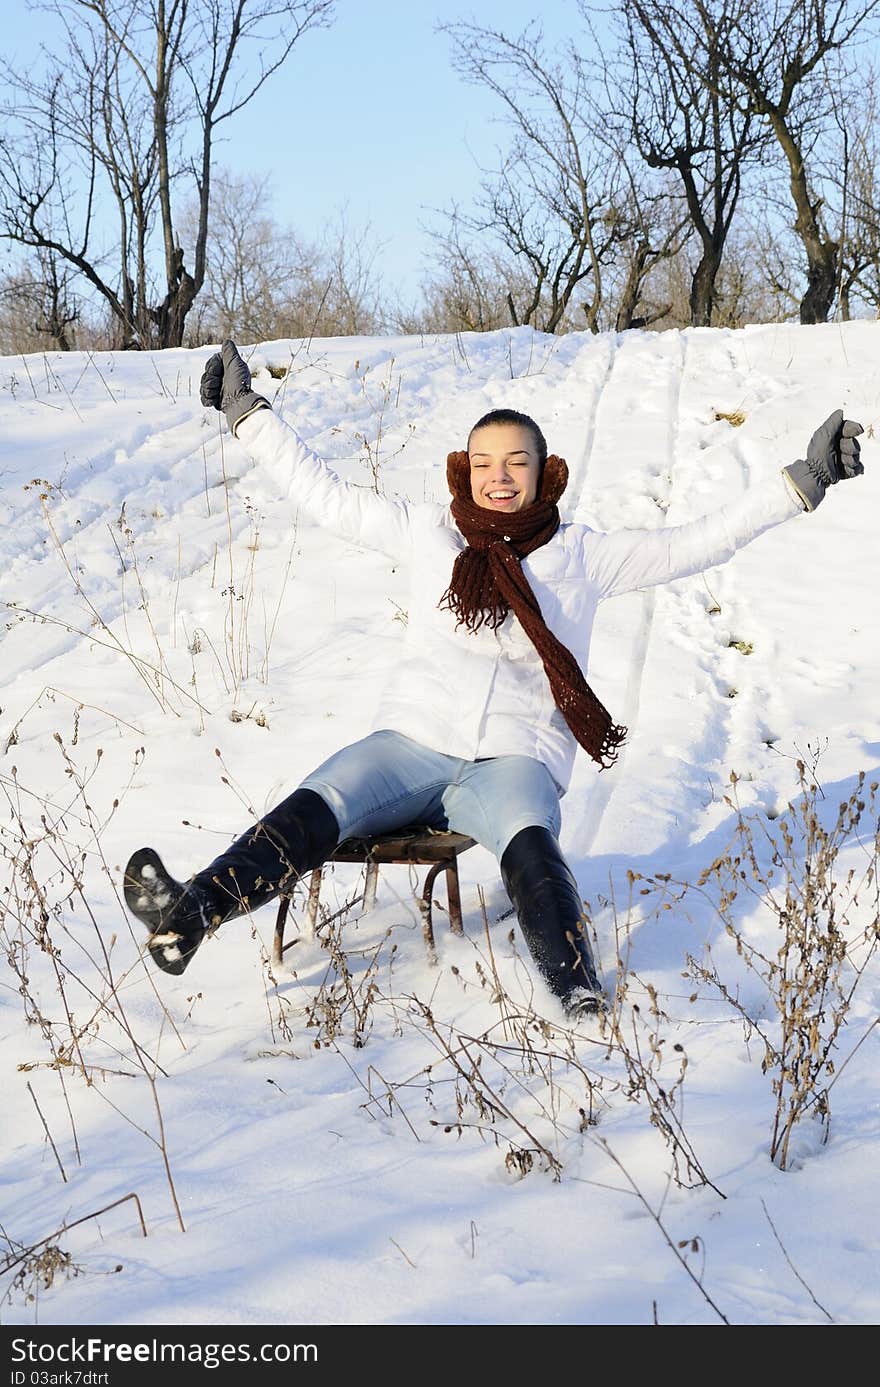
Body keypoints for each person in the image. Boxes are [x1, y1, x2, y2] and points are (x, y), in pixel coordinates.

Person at [123, 340, 864, 1020]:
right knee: (321, 800)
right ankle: (188, 917)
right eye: (484, 463)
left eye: (516, 462)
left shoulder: (583, 555)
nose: (499, 477)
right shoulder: (430, 534)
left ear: (545, 473)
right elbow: (325, 495)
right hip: (412, 740)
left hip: (516, 755)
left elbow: (698, 542)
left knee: (529, 841)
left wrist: (805, 480)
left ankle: (577, 989)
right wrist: (247, 415)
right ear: (464, 472)